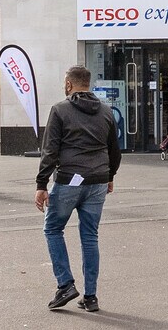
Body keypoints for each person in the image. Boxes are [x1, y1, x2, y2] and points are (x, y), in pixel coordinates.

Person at [37, 64, 122, 314]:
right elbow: (115, 150)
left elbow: (50, 151)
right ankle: (91, 297)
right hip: (97, 180)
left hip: (68, 179)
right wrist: (110, 176)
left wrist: (41, 184)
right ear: (89, 84)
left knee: (53, 228)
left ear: (68, 85)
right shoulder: (105, 111)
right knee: (90, 236)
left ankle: (65, 285)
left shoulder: (60, 110)